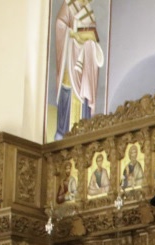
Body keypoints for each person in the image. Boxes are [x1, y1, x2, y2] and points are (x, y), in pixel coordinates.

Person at [54, 0, 104, 140]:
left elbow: (92, 33)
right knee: (68, 86)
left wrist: (89, 41)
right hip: (71, 54)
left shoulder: (88, 9)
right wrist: (72, 34)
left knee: (83, 91)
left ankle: (82, 130)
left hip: (85, 57)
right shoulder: (69, 4)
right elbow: (60, 24)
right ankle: (63, 131)